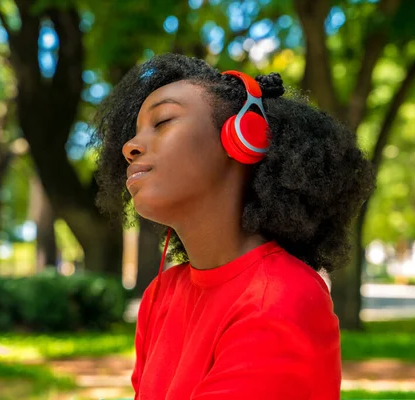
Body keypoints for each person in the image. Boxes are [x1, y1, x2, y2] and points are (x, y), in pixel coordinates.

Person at [93, 53, 374, 400]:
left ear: (243, 138)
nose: (129, 148)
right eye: (135, 134)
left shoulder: (280, 296)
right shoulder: (160, 295)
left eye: (163, 121)